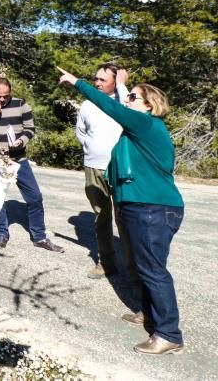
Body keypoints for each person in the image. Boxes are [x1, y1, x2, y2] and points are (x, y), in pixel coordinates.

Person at [58, 67, 186, 356]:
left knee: (153, 270)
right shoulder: (132, 134)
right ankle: (149, 314)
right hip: (138, 206)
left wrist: (77, 82)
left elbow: (109, 105)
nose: (126, 100)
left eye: (132, 97)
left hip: (153, 207)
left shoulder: (147, 124)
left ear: (148, 105)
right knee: (143, 265)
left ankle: (169, 334)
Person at [0, 78, 64, 253]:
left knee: (35, 197)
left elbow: (30, 129)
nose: (1, 100)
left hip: (18, 158)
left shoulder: (21, 104)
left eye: (5, 96)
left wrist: (21, 140)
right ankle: (2, 234)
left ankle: (39, 237)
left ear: (11, 92)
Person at [74, 63, 131, 279]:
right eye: (96, 79)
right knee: (102, 217)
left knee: (125, 218)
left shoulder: (125, 101)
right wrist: (90, 147)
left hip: (120, 169)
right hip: (93, 167)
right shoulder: (87, 105)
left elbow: (130, 115)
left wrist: (122, 86)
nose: (97, 83)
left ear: (115, 82)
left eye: (103, 80)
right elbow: (80, 131)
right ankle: (106, 263)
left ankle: (133, 268)